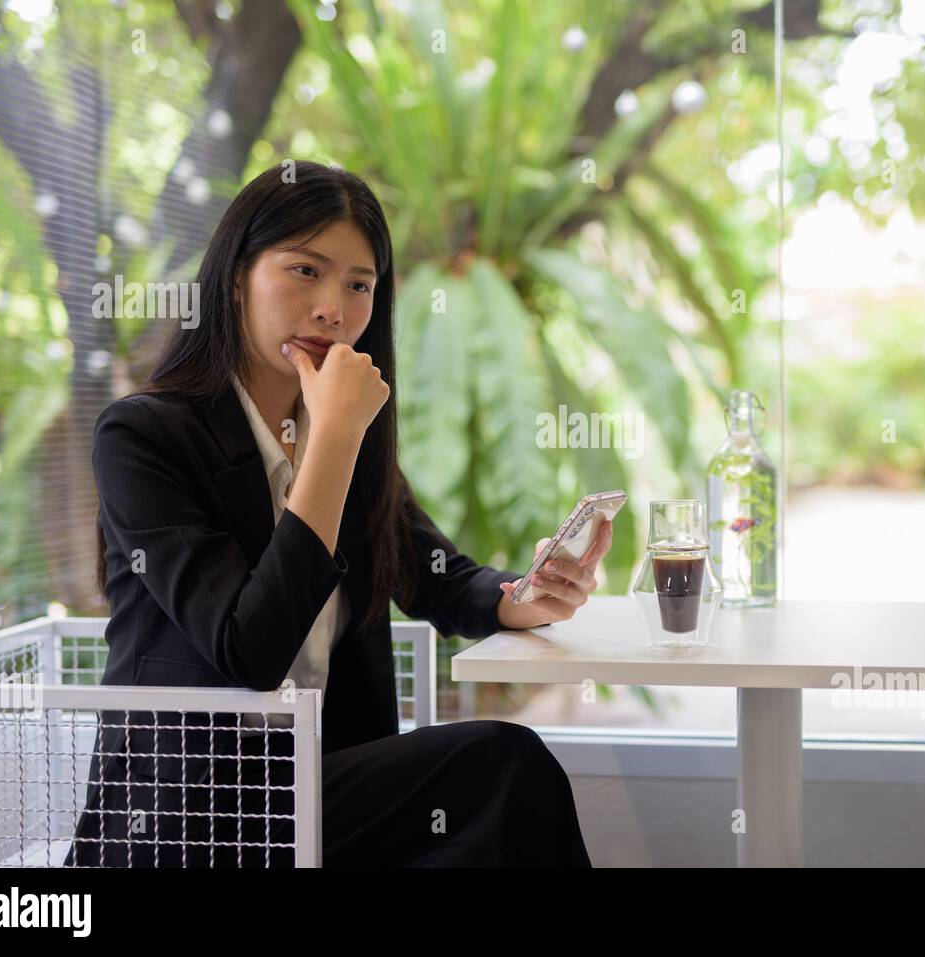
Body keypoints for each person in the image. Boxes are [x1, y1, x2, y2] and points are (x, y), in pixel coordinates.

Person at [64, 160, 607, 867]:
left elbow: (436, 577)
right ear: (236, 277)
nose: (334, 308)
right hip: (189, 817)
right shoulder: (144, 436)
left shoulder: (345, 428)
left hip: (318, 784)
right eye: (304, 271)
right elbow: (248, 649)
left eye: (359, 285)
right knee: (503, 763)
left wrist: (524, 596)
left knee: (493, 799)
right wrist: (333, 444)